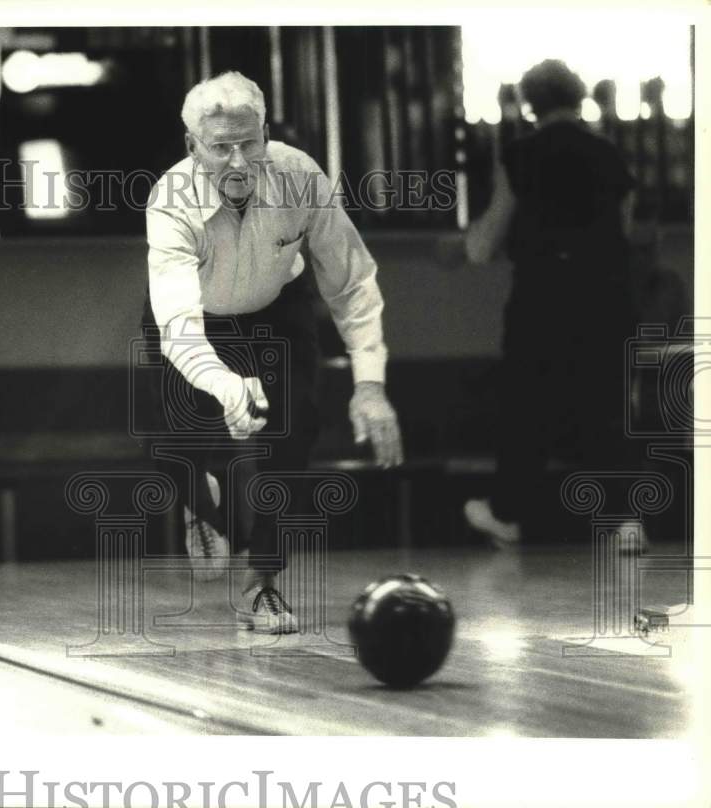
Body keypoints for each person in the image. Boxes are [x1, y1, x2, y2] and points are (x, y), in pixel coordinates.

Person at [143, 72, 402, 634]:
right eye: (221, 147)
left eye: (249, 142)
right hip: (196, 318)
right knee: (170, 445)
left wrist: (370, 385)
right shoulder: (169, 200)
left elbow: (352, 281)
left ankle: (262, 583)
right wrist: (227, 386)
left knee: (295, 429)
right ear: (192, 146)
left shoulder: (300, 176)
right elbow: (180, 329)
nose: (238, 161)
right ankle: (197, 501)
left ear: (265, 133)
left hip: (277, 309)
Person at [462, 60, 640, 548]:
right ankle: (624, 521)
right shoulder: (609, 155)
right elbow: (624, 232)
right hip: (605, 296)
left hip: (542, 297)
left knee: (525, 407)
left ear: (529, 105)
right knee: (606, 404)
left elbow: (487, 240)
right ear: (579, 98)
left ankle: (509, 514)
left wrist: (471, 245)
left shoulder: (520, 155)